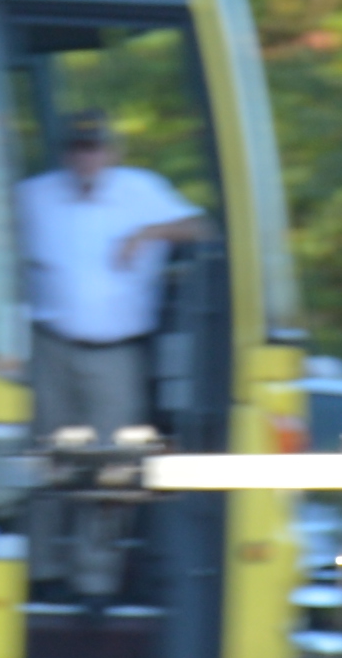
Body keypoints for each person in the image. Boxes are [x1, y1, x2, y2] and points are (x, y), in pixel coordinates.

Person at [12, 111, 208, 606]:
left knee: (111, 468)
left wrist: (147, 234)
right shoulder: (34, 196)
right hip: (50, 346)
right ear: (65, 153)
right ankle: (41, 571)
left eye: (95, 147)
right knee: (44, 461)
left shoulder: (141, 190)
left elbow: (202, 227)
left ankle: (94, 580)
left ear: (112, 152)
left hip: (116, 354)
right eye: (78, 148)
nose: (87, 157)